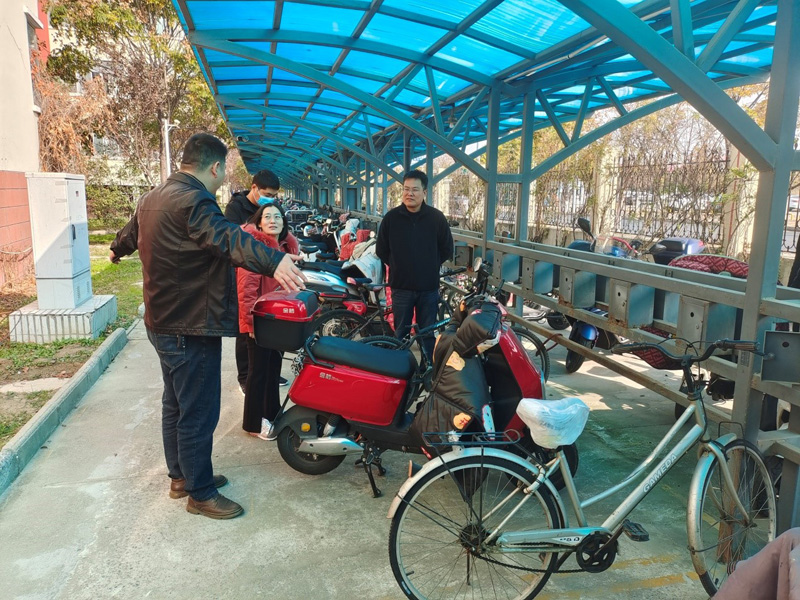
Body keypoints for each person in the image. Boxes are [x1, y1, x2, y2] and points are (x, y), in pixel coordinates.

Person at [109, 133, 305, 520]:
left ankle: (182, 476)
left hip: (161, 320)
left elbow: (131, 233)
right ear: (215, 167)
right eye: (223, 171)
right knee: (198, 410)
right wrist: (273, 260)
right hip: (191, 324)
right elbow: (227, 237)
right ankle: (200, 492)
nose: (222, 178)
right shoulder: (195, 200)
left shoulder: (152, 197)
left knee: (176, 403)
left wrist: (117, 248)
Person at [376, 169, 453, 361]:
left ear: (424, 192)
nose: (409, 193)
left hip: (428, 288)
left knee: (427, 333)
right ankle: (399, 369)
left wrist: (429, 265)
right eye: (406, 189)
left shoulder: (436, 218)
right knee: (400, 333)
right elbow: (381, 250)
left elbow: (447, 249)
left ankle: (427, 370)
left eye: (415, 189)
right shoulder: (391, 218)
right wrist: (398, 265)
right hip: (401, 287)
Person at [237, 202, 298, 441]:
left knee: (273, 368)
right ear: (259, 223)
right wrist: (251, 323)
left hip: (277, 319)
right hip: (260, 320)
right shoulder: (255, 249)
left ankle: (271, 414)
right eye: (267, 217)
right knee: (258, 371)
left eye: (278, 217)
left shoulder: (282, 248)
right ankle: (253, 423)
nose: (273, 220)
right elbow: (246, 290)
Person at [225, 170, 282, 392]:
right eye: (267, 195)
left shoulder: (271, 209)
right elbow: (234, 242)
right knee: (245, 329)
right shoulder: (236, 209)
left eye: (274, 196)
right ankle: (245, 377)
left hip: (268, 272)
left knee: (270, 324)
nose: (271, 200)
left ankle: (269, 371)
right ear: (254, 188)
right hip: (246, 271)